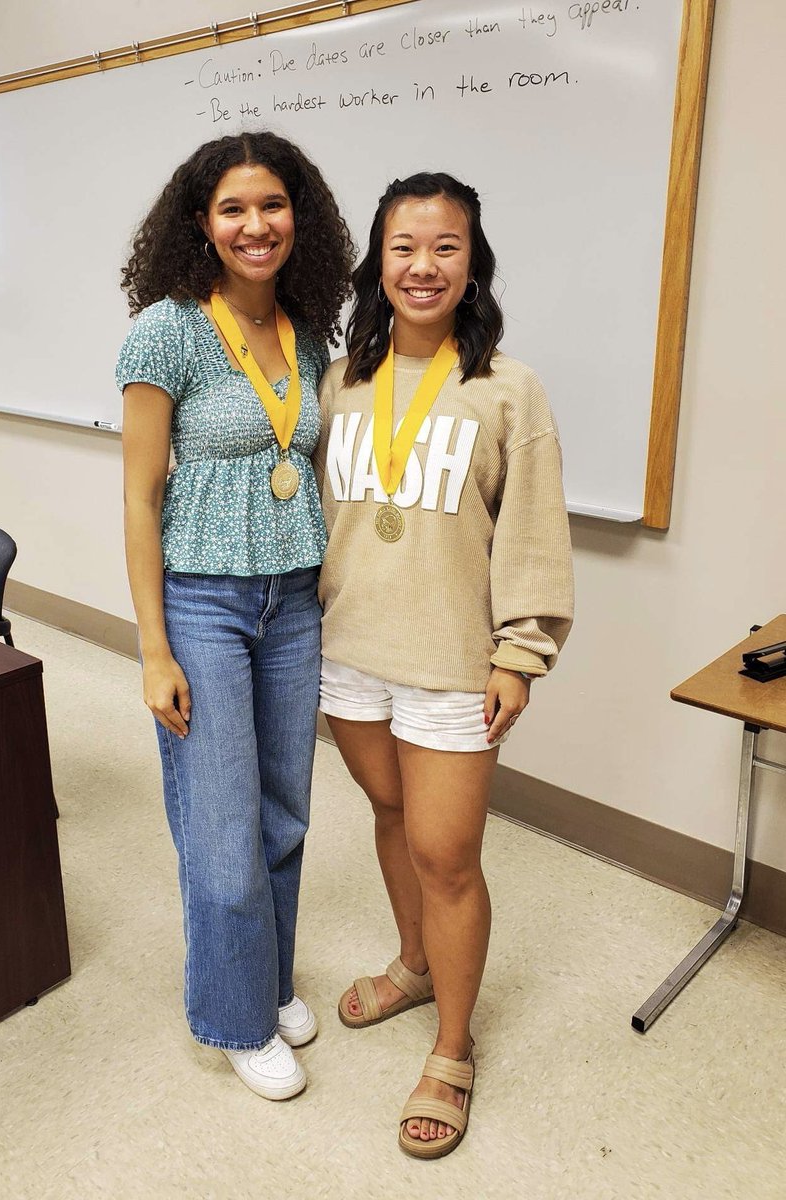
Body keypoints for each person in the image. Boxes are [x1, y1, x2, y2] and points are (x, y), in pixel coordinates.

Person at [313, 172, 574, 1157]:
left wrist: (522, 652)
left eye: (446, 247)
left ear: (474, 262)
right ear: (376, 264)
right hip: (351, 655)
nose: (423, 266)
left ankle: (453, 1049)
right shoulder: (339, 380)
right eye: (404, 248)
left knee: (447, 857)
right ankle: (414, 964)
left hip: (456, 660)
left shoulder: (509, 387)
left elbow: (536, 535)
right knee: (390, 817)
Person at [116, 132, 353, 1100]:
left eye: (272, 205)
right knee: (220, 830)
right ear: (201, 224)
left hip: (292, 598)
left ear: (301, 217)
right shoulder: (165, 331)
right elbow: (139, 499)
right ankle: (235, 1015)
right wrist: (153, 649)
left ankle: (271, 977)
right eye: (232, 209)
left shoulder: (308, 328)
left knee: (285, 813)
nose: (256, 226)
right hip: (204, 605)